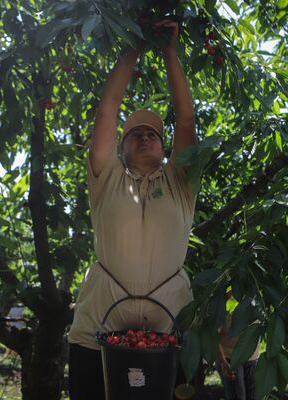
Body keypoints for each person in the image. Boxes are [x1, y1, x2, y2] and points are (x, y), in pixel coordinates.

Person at [67, 19, 198, 399]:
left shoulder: (180, 183)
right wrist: (134, 47)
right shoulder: (106, 178)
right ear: (121, 149)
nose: (145, 136)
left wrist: (170, 51)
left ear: (164, 147)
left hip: (169, 312)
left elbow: (186, 118)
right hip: (102, 307)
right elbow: (107, 111)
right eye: (135, 133)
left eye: (153, 133)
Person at [216, 314, 259, 400]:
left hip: (252, 358)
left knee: (254, 397)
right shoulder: (222, 304)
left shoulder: (256, 302)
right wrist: (223, 361)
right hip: (230, 359)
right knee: (238, 397)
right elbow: (212, 337)